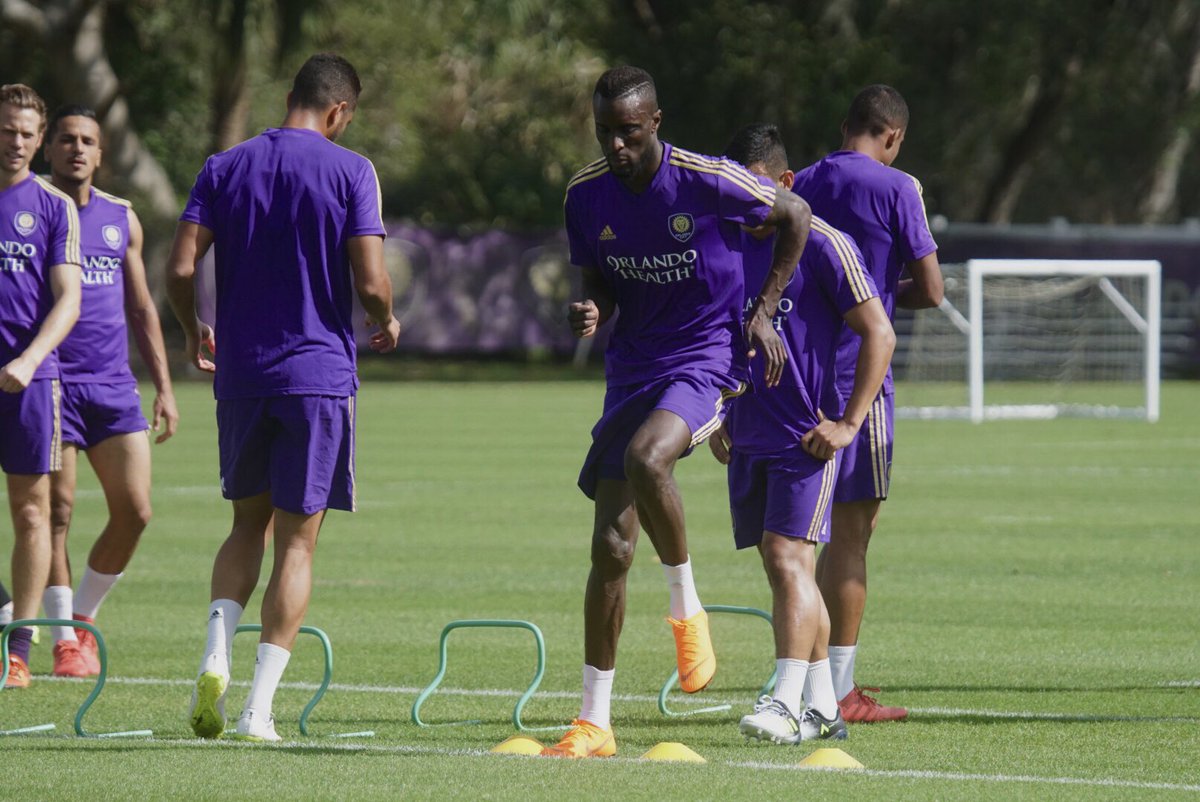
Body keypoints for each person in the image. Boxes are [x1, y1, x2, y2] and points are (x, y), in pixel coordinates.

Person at [541, 67, 812, 759]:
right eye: (605, 133)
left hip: (707, 359)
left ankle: (687, 607)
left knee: (647, 457)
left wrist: (761, 311)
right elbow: (596, 274)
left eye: (629, 132)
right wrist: (593, 307)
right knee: (610, 548)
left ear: (655, 121)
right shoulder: (585, 193)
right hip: (632, 366)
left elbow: (796, 217)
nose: (617, 146)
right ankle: (594, 722)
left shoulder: (707, 179)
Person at [166, 53, 400, 741]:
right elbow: (372, 281)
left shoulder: (224, 166)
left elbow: (181, 267)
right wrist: (384, 320)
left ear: (291, 97)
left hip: (243, 375)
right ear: (338, 111)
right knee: (297, 544)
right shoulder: (351, 169)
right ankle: (258, 710)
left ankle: (216, 651)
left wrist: (192, 331)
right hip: (317, 378)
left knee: (246, 526)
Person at [713, 123, 894, 743]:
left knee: (791, 558)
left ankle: (785, 703)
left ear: (787, 184)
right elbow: (717, 336)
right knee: (778, 561)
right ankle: (822, 706)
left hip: (804, 438)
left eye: (759, 192)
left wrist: (848, 424)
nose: (749, 207)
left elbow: (881, 333)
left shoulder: (824, 245)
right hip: (745, 431)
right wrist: (717, 412)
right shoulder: (727, 240)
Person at [792, 84, 943, 722]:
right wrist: (876, 295)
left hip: (801, 378)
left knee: (800, 536)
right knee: (853, 536)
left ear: (843, 123)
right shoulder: (898, 186)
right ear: (893, 136)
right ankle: (840, 691)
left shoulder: (800, 182)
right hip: (863, 383)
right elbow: (932, 291)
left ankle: (799, 672)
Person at [39, 104, 179, 678]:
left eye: (87, 141)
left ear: (101, 154)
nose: (77, 148)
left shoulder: (122, 217)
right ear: (48, 149)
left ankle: (83, 617)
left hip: (113, 386)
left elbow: (142, 307)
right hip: (49, 384)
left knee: (137, 511)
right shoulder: (29, 209)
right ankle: (63, 640)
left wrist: (165, 388)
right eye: (67, 139)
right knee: (56, 515)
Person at [0, 83, 83, 688]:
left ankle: (18, 652)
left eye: (28, 133)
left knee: (32, 514)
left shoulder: (55, 207)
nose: (18, 143)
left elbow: (69, 299)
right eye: (8, 130)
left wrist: (29, 359)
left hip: (29, 383)